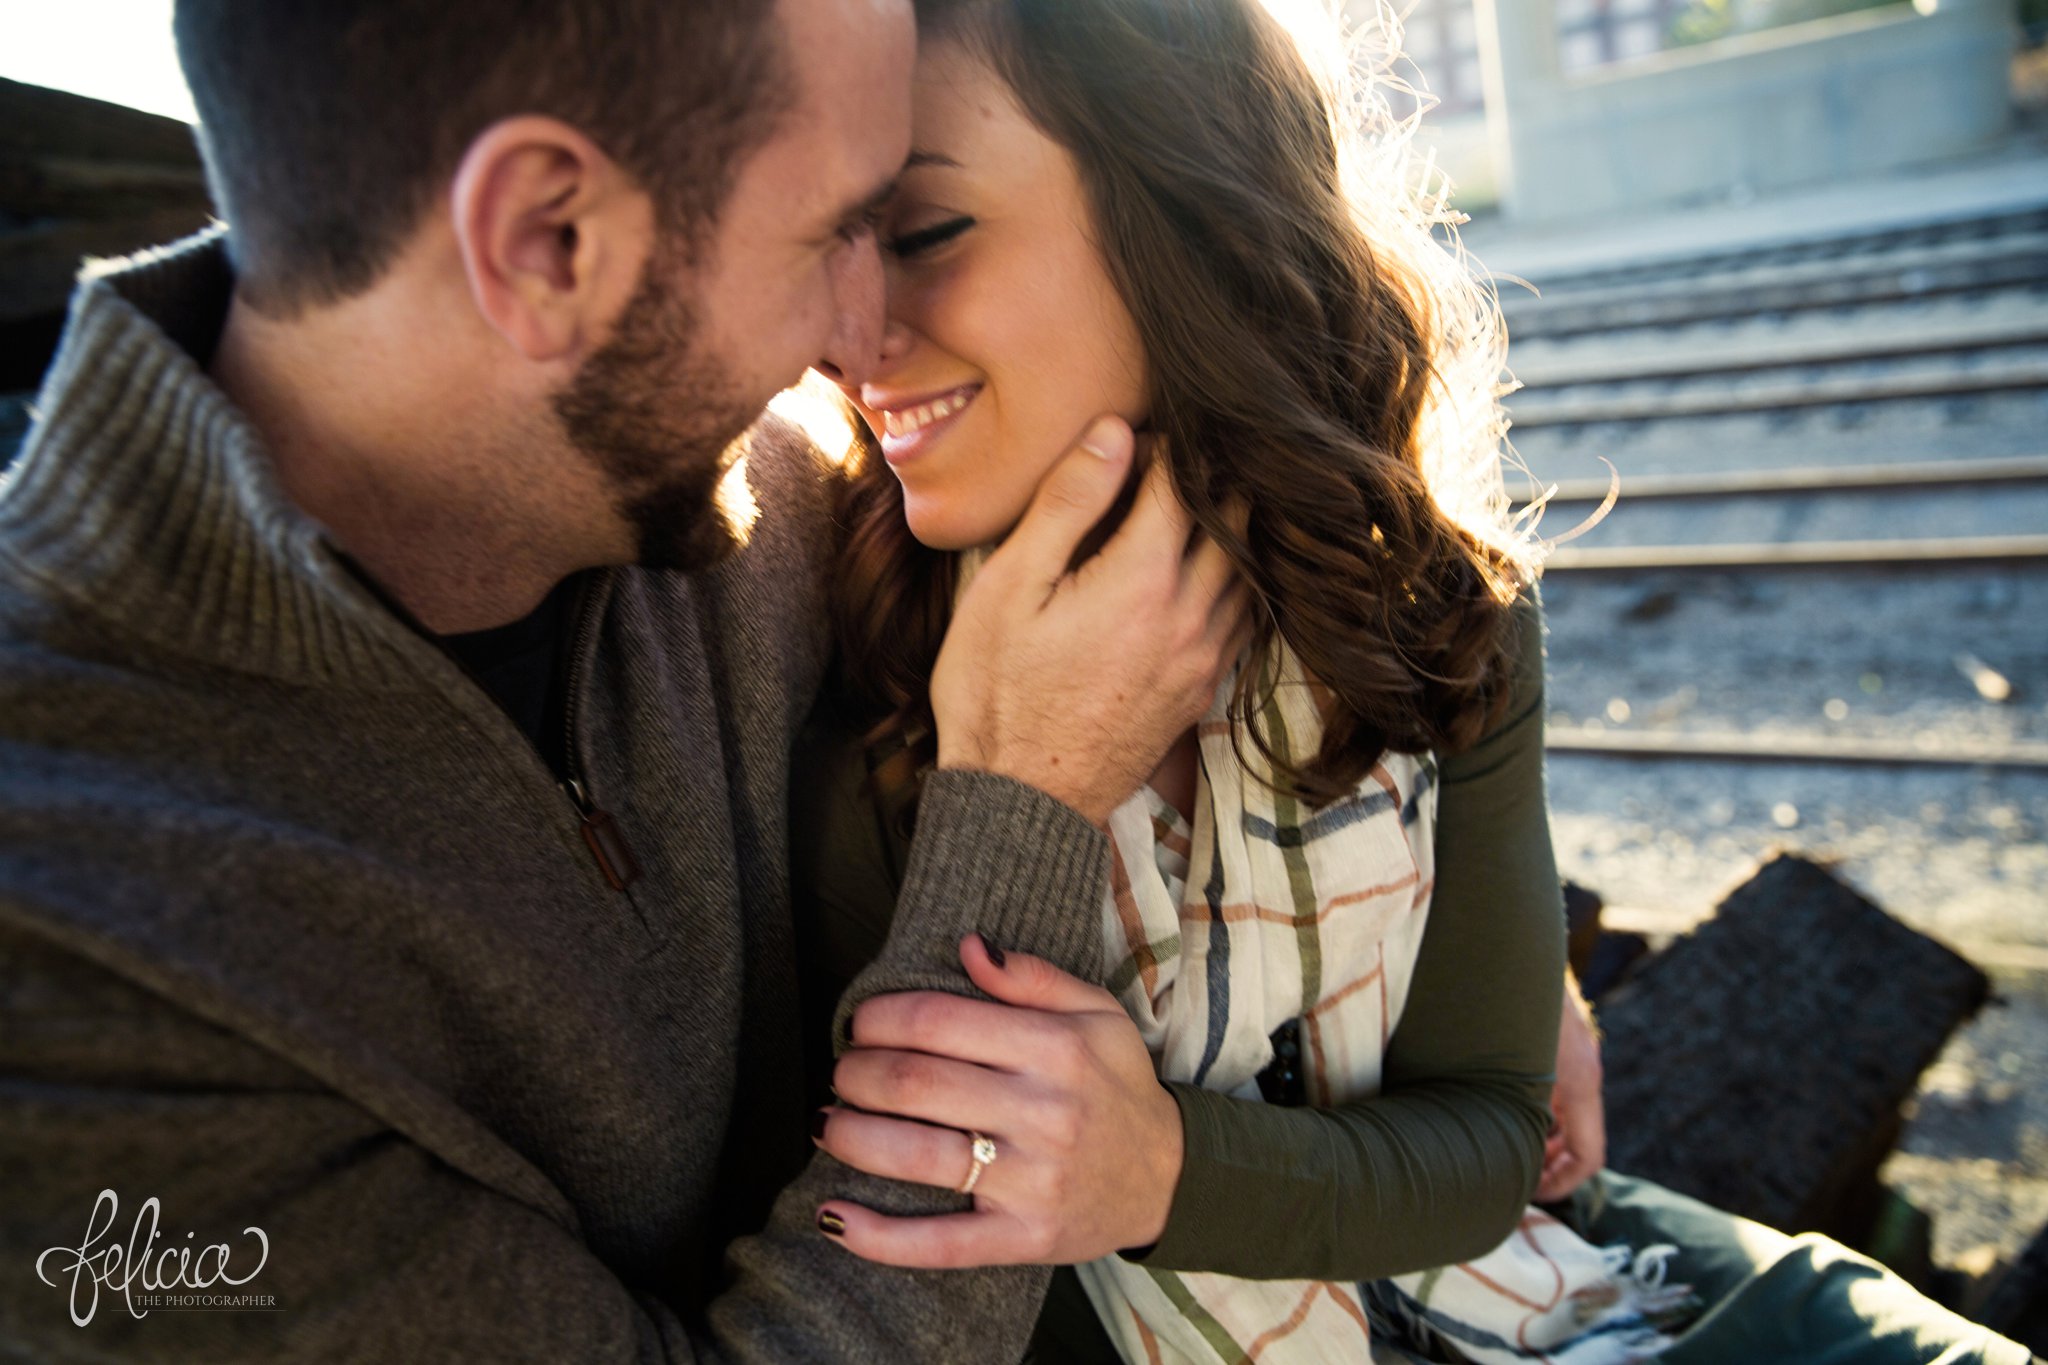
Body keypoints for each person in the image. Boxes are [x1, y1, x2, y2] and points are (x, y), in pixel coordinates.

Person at [0, 0, 1250, 1359]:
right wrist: (1024, 804)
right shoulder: (74, 987)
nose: (862, 329)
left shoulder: (751, 480)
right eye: (835, 226)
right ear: (547, 242)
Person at [790, 0, 2036, 1361]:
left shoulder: (1436, 623)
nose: (846, 332)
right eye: (827, 241)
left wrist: (1162, 1170)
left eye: (919, 234)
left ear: (1193, 228)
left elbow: (1492, 1137)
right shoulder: (847, 671)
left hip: (1512, 1300)